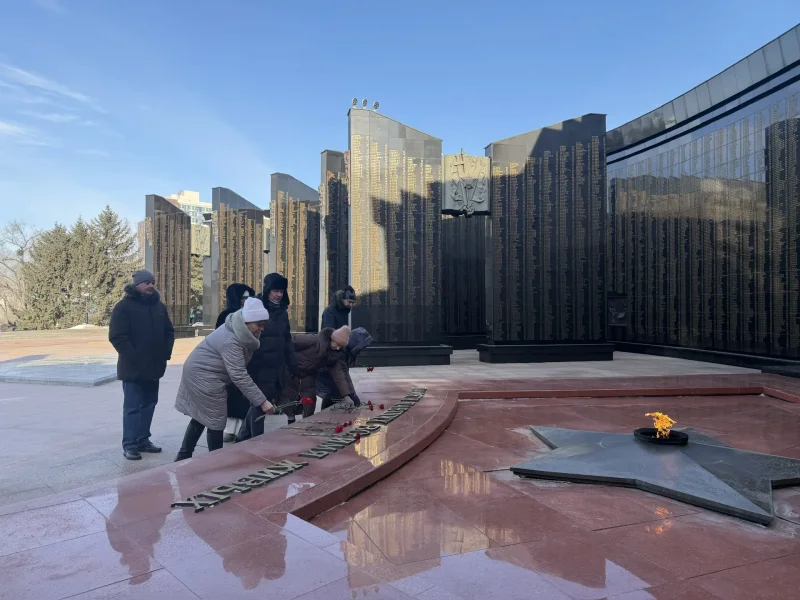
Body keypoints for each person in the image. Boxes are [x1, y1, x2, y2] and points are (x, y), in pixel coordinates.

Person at [174, 297, 274, 460]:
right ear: (247, 322)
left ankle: (182, 457)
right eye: (259, 324)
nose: (262, 329)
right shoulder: (231, 340)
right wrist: (262, 401)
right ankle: (216, 462)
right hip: (204, 376)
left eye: (264, 324)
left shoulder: (240, 330)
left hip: (201, 372)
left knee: (201, 417)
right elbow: (238, 374)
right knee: (216, 420)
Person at [109, 269, 175, 461]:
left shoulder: (159, 306)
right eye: (147, 282)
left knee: (149, 404)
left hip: (154, 367)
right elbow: (117, 337)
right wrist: (135, 357)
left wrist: (165, 354)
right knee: (133, 407)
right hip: (133, 368)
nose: (151, 285)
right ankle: (130, 444)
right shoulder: (123, 307)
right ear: (137, 285)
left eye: (152, 282)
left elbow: (169, 331)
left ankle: (143, 440)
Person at [236, 273, 298, 440]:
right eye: (275, 291)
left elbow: (286, 339)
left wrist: (293, 363)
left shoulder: (282, 312)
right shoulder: (255, 309)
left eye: (281, 291)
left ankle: (241, 438)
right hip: (258, 365)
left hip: (275, 366)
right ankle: (257, 441)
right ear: (267, 290)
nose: (278, 295)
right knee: (260, 403)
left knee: (259, 403)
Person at [278, 326, 353, 419]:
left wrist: (346, 395)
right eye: (337, 344)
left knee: (309, 403)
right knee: (289, 402)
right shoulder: (313, 340)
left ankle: (306, 424)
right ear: (332, 339)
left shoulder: (334, 356)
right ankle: (290, 421)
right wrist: (289, 361)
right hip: (291, 372)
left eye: (341, 347)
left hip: (309, 375)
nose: (338, 348)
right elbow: (290, 343)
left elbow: (339, 375)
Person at [215, 283, 257, 442]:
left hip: (249, 360)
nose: (246, 301)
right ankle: (229, 428)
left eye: (248, 298)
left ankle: (242, 428)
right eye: (243, 298)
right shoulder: (225, 315)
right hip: (230, 360)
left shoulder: (252, 315)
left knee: (244, 396)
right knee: (231, 396)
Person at [317, 327, 373, 410]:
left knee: (332, 396)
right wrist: (351, 394)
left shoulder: (346, 350)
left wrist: (350, 394)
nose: (361, 351)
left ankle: (326, 412)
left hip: (331, 377)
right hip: (326, 376)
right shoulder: (340, 352)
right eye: (361, 347)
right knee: (331, 395)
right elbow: (343, 374)